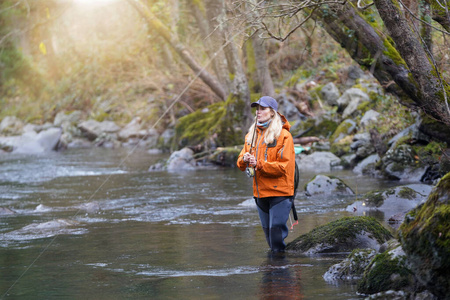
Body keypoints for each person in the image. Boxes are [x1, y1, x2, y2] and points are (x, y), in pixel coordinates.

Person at [237, 96, 296, 253]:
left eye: (262, 109)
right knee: (270, 239)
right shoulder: (250, 136)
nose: (258, 112)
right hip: (260, 194)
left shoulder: (284, 136)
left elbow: (283, 167)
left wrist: (258, 164)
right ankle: (273, 273)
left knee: (276, 238)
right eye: (257, 109)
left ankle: (281, 273)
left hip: (280, 193)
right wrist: (244, 159)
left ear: (272, 113)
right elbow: (240, 164)